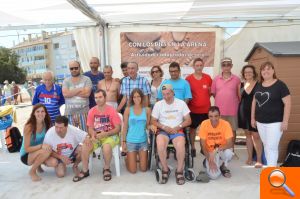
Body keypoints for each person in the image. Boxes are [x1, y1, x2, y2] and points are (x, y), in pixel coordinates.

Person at [73, 89, 121, 182]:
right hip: (97, 136)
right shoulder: (92, 111)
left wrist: (106, 133)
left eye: (100, 97)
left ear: (105, 98)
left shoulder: (111, 110)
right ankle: (85, 170)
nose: (98, 99)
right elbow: (90, 127)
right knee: (85, 146)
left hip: (110, 135)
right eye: (96, 98)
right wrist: (93, 134)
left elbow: (117, 128)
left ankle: (106, 169)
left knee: (106, 147)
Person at [251, 61, 291, 167]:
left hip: (275, 123)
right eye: (263, 69)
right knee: (266, 146)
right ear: (261, 72)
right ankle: (270, 167)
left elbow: (288, 104)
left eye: (268, 69)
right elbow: (254, 102)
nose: (266, 71)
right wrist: (252, 118)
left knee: (271, 147)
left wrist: (285, 121)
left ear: (273, 70)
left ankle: (271, 171)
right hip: (260, 122)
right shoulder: (259, 85)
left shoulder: (280, 85)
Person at [151, 84, 191, 185]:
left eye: (168, 93)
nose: (166, 96)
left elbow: (188, 120)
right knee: (160, 145)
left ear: (173, 92)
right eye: (164, 94)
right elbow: (153, 121)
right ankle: (165, 169)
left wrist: (178, 127)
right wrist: (164, 127)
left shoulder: (181, 103)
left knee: (181, 146)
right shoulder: (158, 104)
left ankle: (179, 170)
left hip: (177, 130)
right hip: (163, 130)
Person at [185, 58, 212, 157]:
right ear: (193, 67)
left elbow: (210, 93)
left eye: (201, 65)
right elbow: (187, 93)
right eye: (197, 65)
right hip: (193, 110)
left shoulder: (208, 78)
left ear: (203, 66)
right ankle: (192, 147)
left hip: (206, 110)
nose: (199, 67)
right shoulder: (188, 79)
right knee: (192, 130)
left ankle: (203, 147)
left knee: (205, 131)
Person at [198, 106, 234, 180]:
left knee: (229, 153)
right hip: (209, 152)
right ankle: (206, 162)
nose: (213, 119)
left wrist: (216, 150)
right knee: (214, 176)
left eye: (216, 116)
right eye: (211, 116)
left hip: (220, 150)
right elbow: (203, 145)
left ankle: (223, 166)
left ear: (220, 116)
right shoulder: (204, 124)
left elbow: (230, 144)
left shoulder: (226, 124)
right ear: (208, 116)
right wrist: (209, 160)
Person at [211, 57, 240, 147]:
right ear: (221, 66)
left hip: (233, 111)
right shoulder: (216, 79)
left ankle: (231, 150)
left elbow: (239, 94)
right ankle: (220, 150)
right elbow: (214, 93)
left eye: (228, 65)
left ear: (231, 66)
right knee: (219, 131)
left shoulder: (237, 79)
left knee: (232, 131)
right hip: (219, 112)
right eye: (224, 65)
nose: (226, 67)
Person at [238, 65, 263, 168]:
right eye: (246, 72)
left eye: (250, 72)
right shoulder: (241, 85)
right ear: (243, 74)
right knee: (247, 136)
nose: (248, 74)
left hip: (255, 114)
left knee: (256, 136)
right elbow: (240, 99)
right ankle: (249, 158)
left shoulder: (259, 85)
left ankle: (259, 159)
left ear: (254, 73)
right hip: (243, 112)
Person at [122, 88, 152, 173]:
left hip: (143, 141)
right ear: (131, 98)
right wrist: (123, 142)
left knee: (143, 169)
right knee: (133, 171)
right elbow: (125, 127)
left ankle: (137, 156)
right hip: (131, 141)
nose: (136, 98)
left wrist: (151, 126)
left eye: (138, 96)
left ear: (142, 97)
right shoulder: (128, 109)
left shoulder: (147, 110)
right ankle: (127, 158)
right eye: (134, 97)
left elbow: (147, 125)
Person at [20, 104, 52, 181]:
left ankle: (38, 165)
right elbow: (27, 149)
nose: (40, 113)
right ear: (34, 113)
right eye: (37, 111)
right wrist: (41, 146)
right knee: (46, 151)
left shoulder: (46, 124)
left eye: (42, 111)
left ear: (45, 113)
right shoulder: (29, 126)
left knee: (49, 150)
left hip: (37, 151)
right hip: (26, 155)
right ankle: (32, 171)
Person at [62, 60, 92, 131]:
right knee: (71, 136)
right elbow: (65, 94)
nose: (74, 70)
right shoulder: (66, 81)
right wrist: (80, 89)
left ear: (79, 68)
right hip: (69, 113)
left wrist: (71, 92)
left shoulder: (87, 79)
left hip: (84, 112)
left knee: (85, 135)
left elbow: (87, 94)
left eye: (76, 68)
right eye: (71, 68)